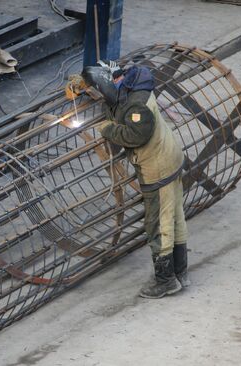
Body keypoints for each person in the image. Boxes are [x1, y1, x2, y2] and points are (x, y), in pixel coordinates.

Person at [81, 61, 190, 299]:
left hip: (158, 167)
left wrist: (107, 128)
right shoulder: (134, 86)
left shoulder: (136, 106)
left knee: (158, 223)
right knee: (175, 216)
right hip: (171, 157)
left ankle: (165, 281)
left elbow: (135, 135)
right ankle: (180, 271)